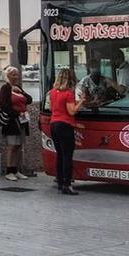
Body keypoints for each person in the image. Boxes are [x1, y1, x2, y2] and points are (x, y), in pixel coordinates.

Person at [0, 66, 35, 180]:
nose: (16, 77)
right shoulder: (5, 88)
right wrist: (16, 113)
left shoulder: (17, 87)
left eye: (17, 74)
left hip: (22, 121)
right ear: (8, 76)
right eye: (13, 74)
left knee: (18, 145)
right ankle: (9, 171)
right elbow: (3, 104)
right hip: (11, 121)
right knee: (11, 146)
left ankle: (16, 169)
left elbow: (29, 99)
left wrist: (21, 91)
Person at [48, 67, 80, 195]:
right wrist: (81, 102)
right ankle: (67, 184)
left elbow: (51, 108)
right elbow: (72, 111)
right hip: (65, 125)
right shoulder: (68, 93)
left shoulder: (52, 92)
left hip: (53, 124)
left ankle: (60, 182)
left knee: (59, 154)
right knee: (67, 155)